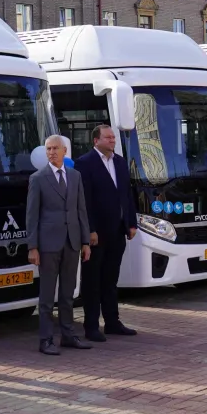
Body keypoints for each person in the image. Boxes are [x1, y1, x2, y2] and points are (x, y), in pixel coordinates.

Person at [26, 135, 91, 355]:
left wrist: (85, 242)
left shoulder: (75, 176)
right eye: (48, 149)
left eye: (55, 148)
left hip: (72, 242)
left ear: (65, 151)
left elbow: (81, 210)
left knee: (67, 293)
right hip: (48, 244)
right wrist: (32, 247)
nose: (52, 152)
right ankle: (45, 340)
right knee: (46, 296)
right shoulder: (37, 178)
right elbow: (32, 215)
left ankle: (68, 335)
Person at [75, 124, 138, 342]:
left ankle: (112, 322)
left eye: (113, 137)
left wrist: (131, 223)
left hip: (117, 230)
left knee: (111, 279)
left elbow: (127, 195)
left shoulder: (120, 162)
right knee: (92, 281)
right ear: (96, 140)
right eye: (108, 137)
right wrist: (89, 230)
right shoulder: (84, 163)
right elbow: (84, 200)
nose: (112, 140)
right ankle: (91, 326)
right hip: (96, 234)